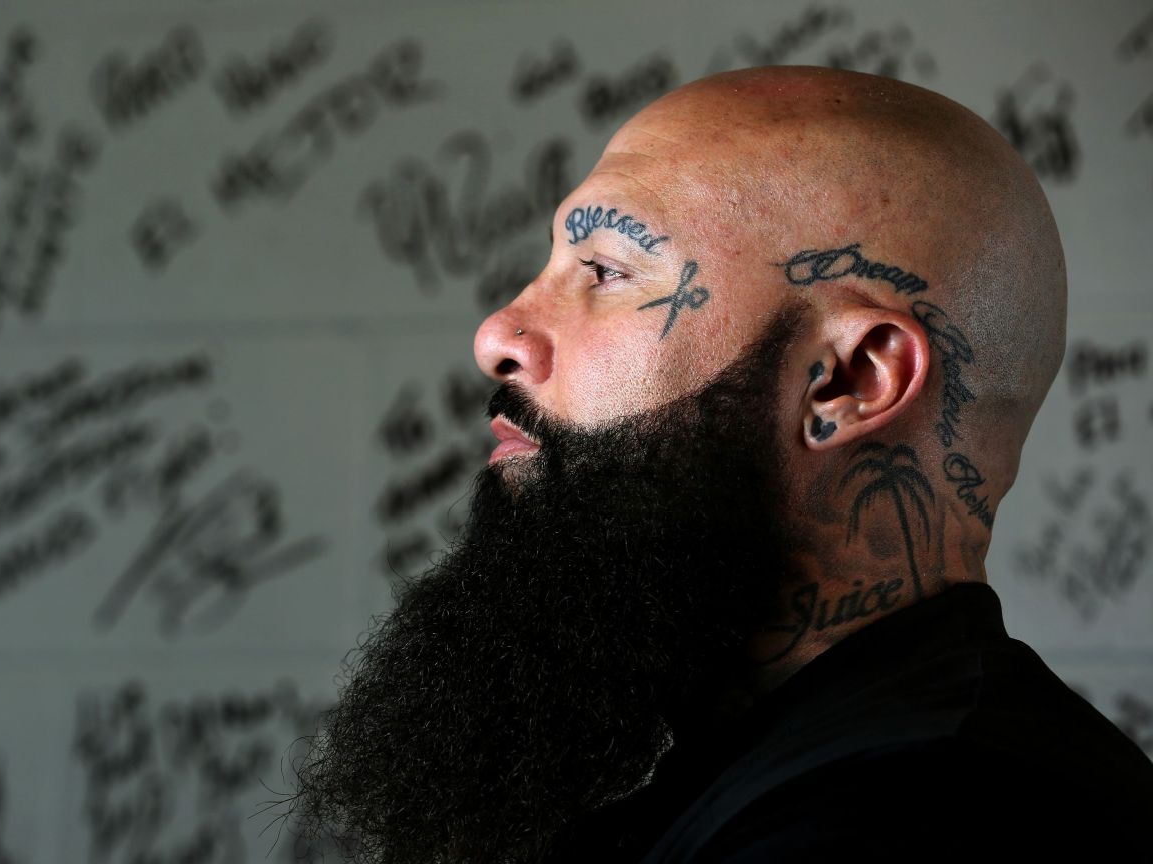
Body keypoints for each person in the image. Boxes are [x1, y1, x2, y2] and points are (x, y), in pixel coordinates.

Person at [284, 66, 1153, 862]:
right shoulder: (769, 768)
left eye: (606, 270)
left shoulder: (918, 822)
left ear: (847, 382)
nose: (499, 335)